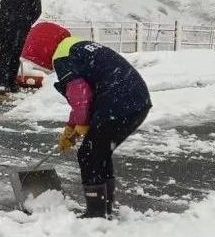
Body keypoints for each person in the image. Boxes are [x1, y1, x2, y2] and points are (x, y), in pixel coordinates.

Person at [21, 21, 151, 219]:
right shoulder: (76, 46)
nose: (42, 66)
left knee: (89, 154)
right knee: (100, 152)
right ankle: (103, 208)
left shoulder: (63, 57)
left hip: (118, 104)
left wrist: (81, 124)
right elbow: (83, 98)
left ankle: (96, 213)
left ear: (42, 49)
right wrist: (70, 127)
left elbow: (81, 95)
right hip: (135, 102)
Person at [0, 0, 41, 94]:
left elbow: (1, 14)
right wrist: (27, 22)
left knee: (2, 57)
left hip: (4, 29)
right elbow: (37, 12)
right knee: (15, 56)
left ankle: (2, 84)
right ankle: (11, 83)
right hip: (20, 31)